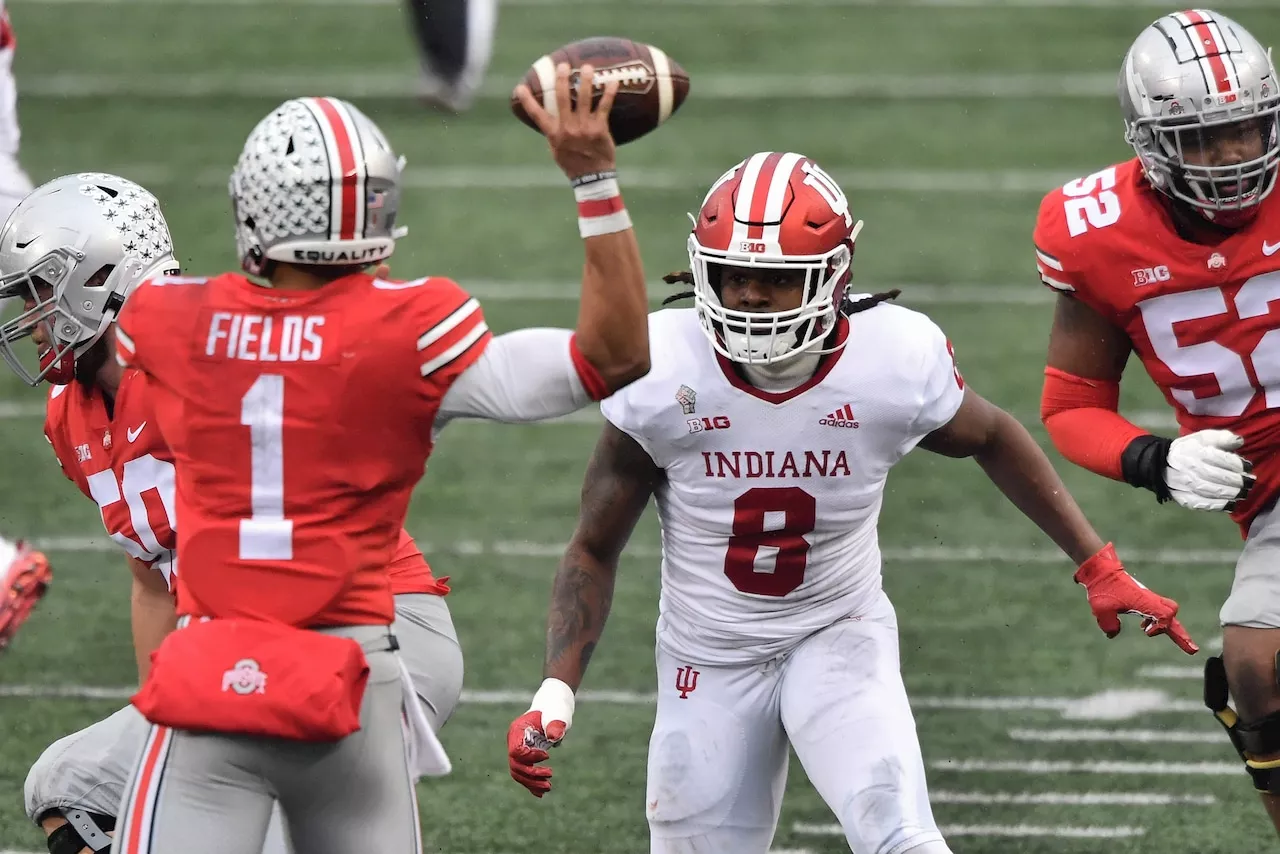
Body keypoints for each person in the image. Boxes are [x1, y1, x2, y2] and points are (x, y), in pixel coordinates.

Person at [505, 151, 1196, 854]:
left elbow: (993, 436)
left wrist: (1098, 564)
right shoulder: (660, 367)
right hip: (706, 657)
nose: (747, 296)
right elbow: (593, 543)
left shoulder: (891, 361)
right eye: (732, 275)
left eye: (773, 280)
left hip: (836, 635)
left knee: (899, 835)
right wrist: (554, 691)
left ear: (835, 274)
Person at [108, 70, 647, 853]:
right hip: (353, 678)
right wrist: (594, 179)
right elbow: (615, 356)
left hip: (211, 672)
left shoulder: (170, 321)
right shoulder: (414, 330)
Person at [0, 174, 461, 854]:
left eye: (41, 292)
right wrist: (169, 719)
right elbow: (151, 582)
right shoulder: (70, 418)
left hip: (371, 630)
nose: (33, 318)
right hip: (245, 657)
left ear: (103, 275)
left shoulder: (213, 356)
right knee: (69, 786)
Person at [1032, 7, 1280, 837]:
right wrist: (1155, 461)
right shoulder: (1094, 232)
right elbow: (1071, 408)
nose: (1234, 157)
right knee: (1255, 670)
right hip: (1268, 492)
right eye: (1206, 140)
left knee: (1255, 652)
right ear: (1149, 141)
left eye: (1246, 131)